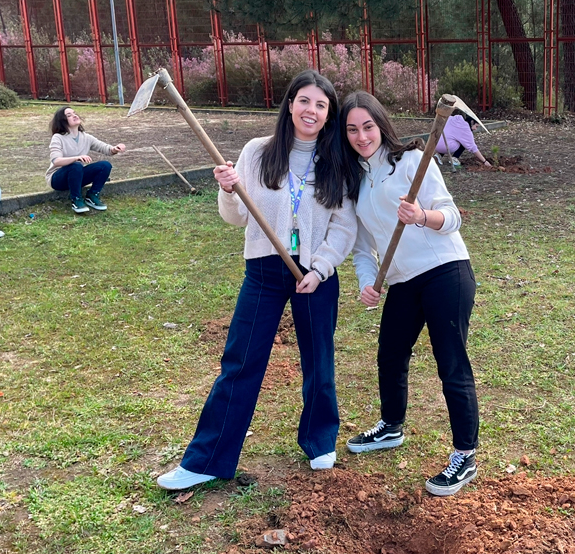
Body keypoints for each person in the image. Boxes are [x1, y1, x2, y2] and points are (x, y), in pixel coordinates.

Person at [157, 70, 357, 490]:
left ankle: (320, 441)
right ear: (290, 104)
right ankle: (206, 459)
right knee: (241, 361)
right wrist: (229, 191)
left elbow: (343, 226)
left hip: (315, 276)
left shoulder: (338, 161)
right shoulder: (257, 152)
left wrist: (319, 269)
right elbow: (236, 217)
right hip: (265, 271)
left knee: (319, 363)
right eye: (304, 100)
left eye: (321, 105)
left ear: (328, 114)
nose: (312, 110)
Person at [340, 91, 481, 497]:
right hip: (402, 281)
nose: (362, 136)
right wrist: (368, 283)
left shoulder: (412, 162)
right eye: (352, 129)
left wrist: (421, 216)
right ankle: (391, 427)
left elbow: (451, 217)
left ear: (381, 124)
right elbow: (362, 247)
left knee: (451, 364)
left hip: (445, 272)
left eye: (368, 126)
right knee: (390, 354)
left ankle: (465, 455)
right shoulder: (357, 181)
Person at [46, 106, 126, 214]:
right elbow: (56, 161)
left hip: (77, 176)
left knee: (105, 165)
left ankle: (92, 195)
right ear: (62, 121)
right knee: (76, 165)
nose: (74, 115)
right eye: (69, 115)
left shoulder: (86, 137)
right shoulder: (58, 137)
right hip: (58, 179)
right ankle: (76, 199)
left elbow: (105, 148)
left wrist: (115, 149)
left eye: (74, 113)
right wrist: (76, 158)